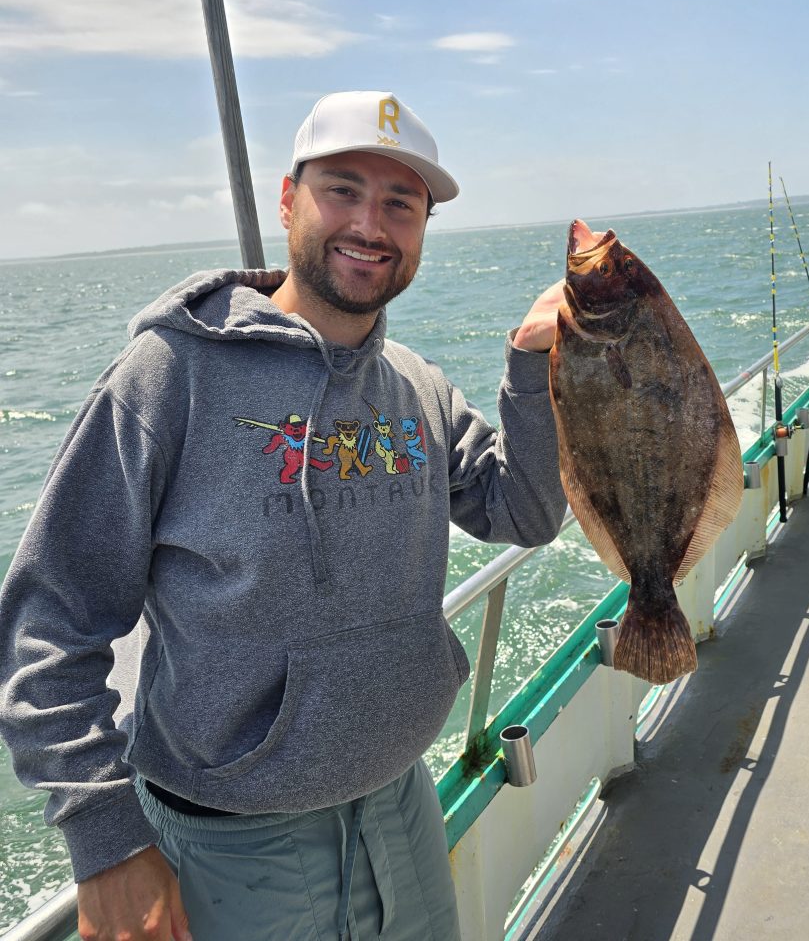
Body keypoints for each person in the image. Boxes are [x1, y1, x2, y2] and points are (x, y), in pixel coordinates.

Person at [0, 90, 568, 940]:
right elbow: (47, 621)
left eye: (400, 203)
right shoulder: (170, 375)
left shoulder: (415, 385)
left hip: (401, 803)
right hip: (236, 846)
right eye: (342, 189)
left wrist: (530, 371)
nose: (370, 224)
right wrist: (107, 842)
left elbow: (525, 512)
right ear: (288, 199)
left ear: (421, 229)